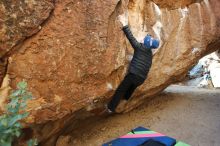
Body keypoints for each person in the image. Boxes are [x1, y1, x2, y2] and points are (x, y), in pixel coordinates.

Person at [106, 12, 160, 113]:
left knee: (121, 89)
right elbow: (144, 43)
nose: (143, 39)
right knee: (130, 89)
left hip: (134, 75)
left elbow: (131, 38)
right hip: (141, 78)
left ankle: (110, 108)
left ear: (146, 43)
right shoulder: (149, 52)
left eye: (145, 39)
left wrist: (124, 24)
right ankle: (125, 101)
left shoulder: (140, 48)